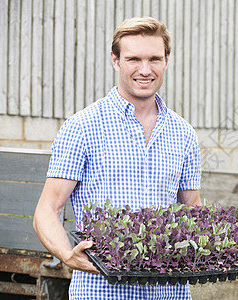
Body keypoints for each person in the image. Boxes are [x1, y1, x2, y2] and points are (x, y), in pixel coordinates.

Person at [33, 17, 201, 299]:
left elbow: (192, 207)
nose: (145, 70)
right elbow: (46, 211)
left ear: (167, 61)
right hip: (102, 291)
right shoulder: (82, 127)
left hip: (169, 292)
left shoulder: (183, 133)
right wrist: (67, 255)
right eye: (133, 59)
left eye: (154, 59)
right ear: (116, 60)